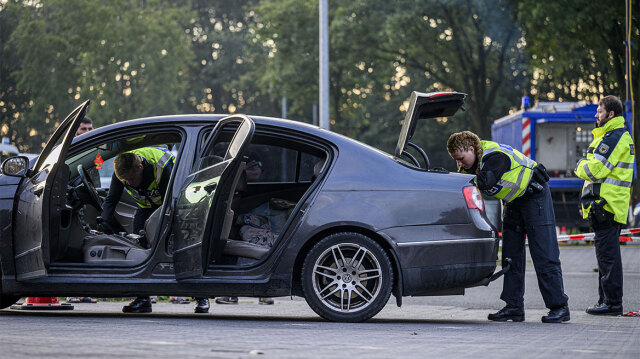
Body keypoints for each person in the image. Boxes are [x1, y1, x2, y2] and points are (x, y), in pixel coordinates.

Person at [447, 131, 570, 323]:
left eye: (461, 159)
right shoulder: (473, 163)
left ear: (471, 149)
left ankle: (559, 307)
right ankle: (514, 307)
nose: (460, 164)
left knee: (544, 254)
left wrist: (458, 179)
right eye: (457, 161)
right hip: (513, 202)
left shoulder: (495, 156)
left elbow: (485, 180)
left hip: (534, 197)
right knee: (511, 257)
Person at [101, 147, 210, 314]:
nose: (129, 183)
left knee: (182, 248)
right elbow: (111, 199)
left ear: (140, 168)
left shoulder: (162, 166)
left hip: (173, 205)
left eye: (131, 179)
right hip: (146, 207)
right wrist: (104, 221)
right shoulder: (122, 171)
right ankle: (143, 298)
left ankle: (201, 296)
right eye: (125, 181)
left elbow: (174, 197)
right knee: (139, 248)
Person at [575, 95, 634, 316]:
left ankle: (612, 303)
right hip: (606, 205)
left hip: (607, 206)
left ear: (610, 114)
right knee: (605, 256)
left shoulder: (614, 137)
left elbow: (594, 170)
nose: (595, 115)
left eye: (599, 112)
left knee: (608, 257)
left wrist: (580, 164)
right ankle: (606, 301)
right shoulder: (611, 136)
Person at [216, 152, 275, 306]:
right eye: (249, 166)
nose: (255, 168)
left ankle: (256, 291)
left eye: (257, 165)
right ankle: (235, 292)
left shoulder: (263, 192)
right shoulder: (232, 191)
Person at [67, 116, 97, 304]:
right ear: (75, 131)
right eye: (83, 129)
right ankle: (72, 291)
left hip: (87, 202)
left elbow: (98, 173)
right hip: (71, 203)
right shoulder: (70, 151)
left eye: (90, 129)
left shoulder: (95, 150)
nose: (87, 132)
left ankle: (85, 289)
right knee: (74, 244)